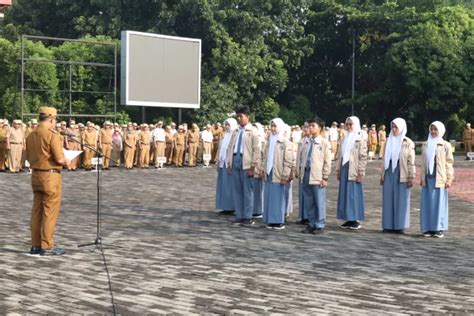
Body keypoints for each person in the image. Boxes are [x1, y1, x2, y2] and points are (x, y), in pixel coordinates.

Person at [26, 107, 70, 256]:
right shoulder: (52, 135)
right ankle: (47, 246)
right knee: (49, 212)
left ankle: (35, 245)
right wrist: (67, 160)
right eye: (55, 120)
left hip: (36, 175)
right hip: (50, 176)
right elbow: (58, 158)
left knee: (36, 211)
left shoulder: (31, 135)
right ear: (51, 119)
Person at [296, 117, 331, 234]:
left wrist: (325, 177)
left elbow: (327, 161)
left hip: (317, 175)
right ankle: (311, 223)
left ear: (320, 128)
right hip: (306, 173)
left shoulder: (324, 143)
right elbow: (301, 159)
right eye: (309, 126)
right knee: (309, 201)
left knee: (319, 201)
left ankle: (320, 224)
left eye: (313, 126)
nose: (310, 128)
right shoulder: (306, 141)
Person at [226, 105, 261, 227]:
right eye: (238, 116)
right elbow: (230, 147)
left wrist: (253, 166)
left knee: (247, 191)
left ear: (248, 117)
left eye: (241, 116)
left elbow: (257, 150)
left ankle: (248, 216)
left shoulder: (253, 131)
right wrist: (229, 163)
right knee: (237, 190)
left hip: (247, 161)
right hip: (236, 159)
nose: (239, 119)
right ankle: (239, 215)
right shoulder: (235, 131)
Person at [380, 118, 415, 234]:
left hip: (402, 171)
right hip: (389, 171)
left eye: (396, 127)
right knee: (388, 198)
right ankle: (388, 225)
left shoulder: (407, 142)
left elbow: (411, 161)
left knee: (401, 199)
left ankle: (400, 225)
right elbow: (384, 160)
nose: (394, 129)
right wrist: (382, 175)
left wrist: (411, 176)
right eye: (393, 127)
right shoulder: (388, 141)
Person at [420, 121, 454, 238]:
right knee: (427, 202)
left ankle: (438, 228)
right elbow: (423, 162)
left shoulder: (445, 145)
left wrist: (449, 179)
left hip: (439, 175)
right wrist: (422, 177)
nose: (433, 132)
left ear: (440, 131)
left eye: (435, 129)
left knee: (438, 203)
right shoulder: (426, 144)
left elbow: (449, 163)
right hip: (428, 176)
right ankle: (428, 228)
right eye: (432, 129)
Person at [260, 118, 294, 230]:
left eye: (275, 126)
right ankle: (270, 219)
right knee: (269, 196)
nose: (273, 128)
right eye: (272, 126)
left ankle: (279, 221)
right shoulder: (269, 141)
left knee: (278, 198)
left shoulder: (285, 142)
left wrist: (285, 175)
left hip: (278, 173)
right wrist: (262, 169)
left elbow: (288, 160)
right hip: (269, 172)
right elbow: (265, 157)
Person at [336, 116, 368, 230]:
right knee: (345, 193)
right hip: (344, 168)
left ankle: (355, 219)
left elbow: (363, 157)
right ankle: (348, 218)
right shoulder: (345, 138)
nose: (348, 127)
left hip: (353, 169)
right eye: (347, 124)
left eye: (351, 124)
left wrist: (361, 173)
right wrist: (338, 170)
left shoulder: (360, 139)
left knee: (353, 194)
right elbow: (340, 155)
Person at [215, 118, 238, 215]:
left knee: (229, 186)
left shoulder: (235, 136)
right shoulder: (224, 136)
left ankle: (231, 207)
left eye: (228, 125)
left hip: (229, 164)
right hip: (222, 163)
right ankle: (224, 206)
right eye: (226, 125)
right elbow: (220, 148)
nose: (227, 127)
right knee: (223, 186)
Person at [295, 121, 310, 224]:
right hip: (301, 170)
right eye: (304, 127)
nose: (305, 129)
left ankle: (309, 216)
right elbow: (298, 158)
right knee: (302, 193)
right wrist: (296, 169)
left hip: (309, 170)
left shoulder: (313, 141)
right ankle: (303, 216)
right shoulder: (302, 141)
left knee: (309, 194)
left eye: (308, 127)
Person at [252, 122, 266, 218]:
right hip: (252, 168)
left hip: (259, 168)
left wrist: (261, 169)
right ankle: (252, 209)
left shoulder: (264, 142)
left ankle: (259, 210)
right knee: (252, 190)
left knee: (259, 190)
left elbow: (264, 157)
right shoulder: (251, 140)